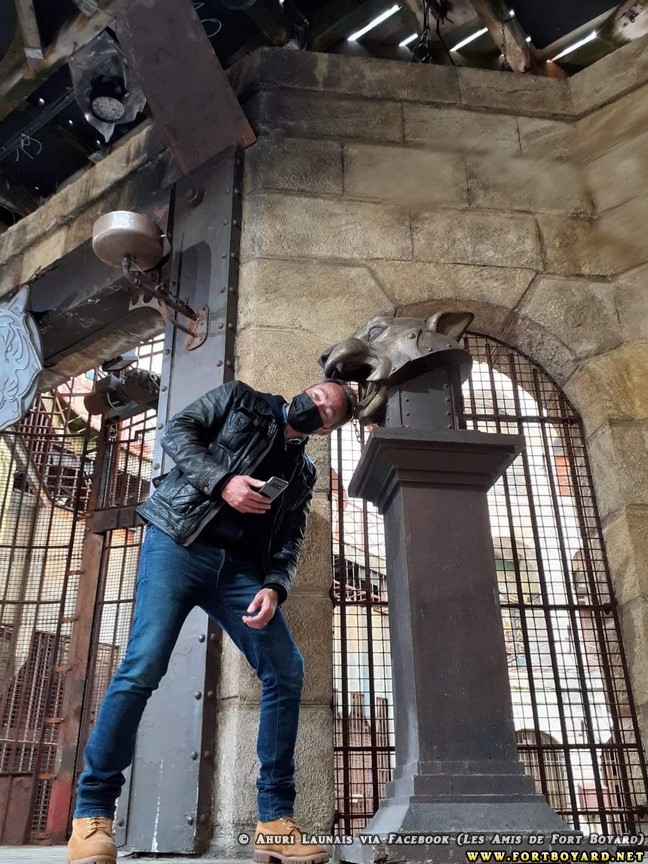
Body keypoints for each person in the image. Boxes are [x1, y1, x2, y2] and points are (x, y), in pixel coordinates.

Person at [67, 377, 357, 864]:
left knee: (286, 669)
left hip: (240, 572)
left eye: (328, 410)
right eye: (318, 394)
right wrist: (224, 482)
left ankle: (274, 822)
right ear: (305, 391)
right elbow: (177, 432)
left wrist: (275, 586)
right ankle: (92, 814)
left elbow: (290, 537)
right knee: (143, 665)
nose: (317, 405)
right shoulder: (240, 398)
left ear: (327, 429)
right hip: (178, 542)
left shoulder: (303, 472)